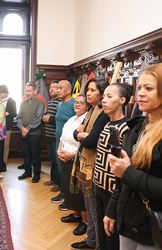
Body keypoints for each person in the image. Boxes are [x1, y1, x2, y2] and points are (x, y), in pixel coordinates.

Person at [104, 63, 162, 250]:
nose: (141, 94)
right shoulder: (136, 128)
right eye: (139, 88)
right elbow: (122, 180)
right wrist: (112, 210)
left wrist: (129, 172)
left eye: (149, 88)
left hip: (153, 226)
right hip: (128, 221)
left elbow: (127, 174)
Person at [70, 77, 110, 250]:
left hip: (95, 168)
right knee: (90, 207)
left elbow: (90, 141)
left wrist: (82, 135)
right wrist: (81, 134)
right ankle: (91, 241)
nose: (88, 93)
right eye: (88, 90)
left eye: (93, 90)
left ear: (102, 94)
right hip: (85, 165)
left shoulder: (103, 113)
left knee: (95, 211)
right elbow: (77, 133)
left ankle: (97, 244)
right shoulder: (92, 111)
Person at [94, 83, 133, 250]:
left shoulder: (126, 128)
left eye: (110, 97)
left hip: (113, 193)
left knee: (112, 239)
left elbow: (124, 169)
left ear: (122, 100)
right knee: (102, 236)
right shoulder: (107, 124)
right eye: (104, 96)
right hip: (100, 188)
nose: (104, 100)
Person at [57, 94, 88, 234]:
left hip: (77, 159)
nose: (77, 105)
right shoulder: (71, 119)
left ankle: (85, 222)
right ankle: (76, 215)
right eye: (76, 102)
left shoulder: (87, 121)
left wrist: (72, 155)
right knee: (71, 189)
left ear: (87, 106)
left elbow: (86, 145)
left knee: (80, 192)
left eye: (81, 103)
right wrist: (59, 150)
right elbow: (62, 138)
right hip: (65, 157)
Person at [51, 80, 76, 210]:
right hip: (59, 142)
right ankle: (62, 193)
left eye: (61, 88)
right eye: (57, 88)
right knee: (61, 171)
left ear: (68, 90)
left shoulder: (74, 104)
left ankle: (69, 199)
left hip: (70, 145)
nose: (58, 90)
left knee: (68, 173)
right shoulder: (59, 105)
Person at [17, 82, 45, 183]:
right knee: (26, 153)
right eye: (26, 91)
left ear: (35, 91)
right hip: (23, 133)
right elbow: (19, 117)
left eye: (29, 91)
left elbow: (38, 119)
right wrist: (21, 128)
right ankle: (27, 172)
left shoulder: (39, 103)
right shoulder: (23, 103)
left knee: (35, 155)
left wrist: (27, 128)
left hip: (34, 134)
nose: (27, 93)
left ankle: (36, 174)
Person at [42, 80, 61, 192]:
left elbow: (60, 119)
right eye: (51, 88)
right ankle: (53, 179)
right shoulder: (50, 102)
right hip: (48, 136)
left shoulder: (61, 102)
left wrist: (49, 118)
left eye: (55, 87)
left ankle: (58, 183)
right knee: (52, 160)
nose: (52, 89)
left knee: (57, 161)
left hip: (56, 137)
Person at [0, 85, 17, 167]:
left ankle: (4, 163)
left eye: (0, 93)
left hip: (7, 127)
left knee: (5, 146)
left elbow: (15, 114)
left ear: (5, 93)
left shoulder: (12, 101)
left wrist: (8, 113)